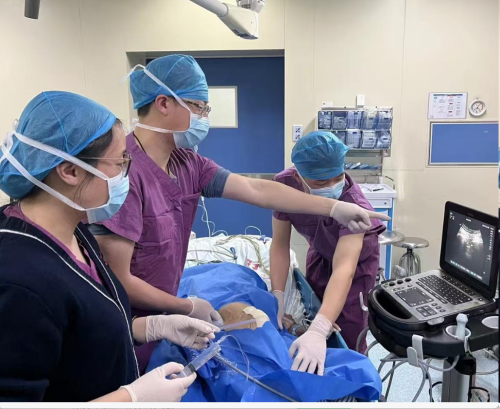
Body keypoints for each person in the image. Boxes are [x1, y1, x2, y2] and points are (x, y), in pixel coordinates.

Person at [88, 55, 389, 372]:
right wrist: (186, 305)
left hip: (168, 310)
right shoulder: (124, 174)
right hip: (131, 324)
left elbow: (256, 189)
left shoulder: (188, 163)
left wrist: (334, 207)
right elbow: (118, 280)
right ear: (163, 103)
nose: (204, 117)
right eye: (199, 107)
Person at [0, 91, 219, 402]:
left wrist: (150, 327)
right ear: (70, 171)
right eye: (119, 162)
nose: (126, 174)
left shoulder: (76, 231)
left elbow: (83, 331)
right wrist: (131, 399)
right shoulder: (20, 281)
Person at [269, 131, 386, 375]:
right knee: (315, 308)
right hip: (320, 254)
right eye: (321, 183)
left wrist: (320, 328)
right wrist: (277, 294)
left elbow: (345, 269)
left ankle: (354, 382)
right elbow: (280, 244)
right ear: (299, 175)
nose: (332, 187)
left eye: (338, 177)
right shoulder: (285, 185)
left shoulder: (354, 204)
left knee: (348, 330)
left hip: (357, 265)